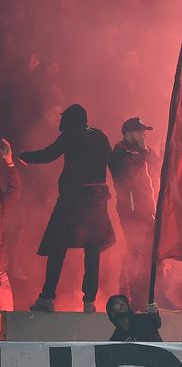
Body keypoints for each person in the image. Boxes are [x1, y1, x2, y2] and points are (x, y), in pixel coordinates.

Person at [20, 104, 115, 312]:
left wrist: (23, 156)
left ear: (70, 120)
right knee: (92, 250)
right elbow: (113, 163)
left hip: (72, 199)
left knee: (57, 245)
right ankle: (89, 302)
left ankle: (47, 297)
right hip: (96, 200)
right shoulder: (100, 136)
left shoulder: (71, 134)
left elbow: (49, 154)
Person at [108, 117, 157, 310]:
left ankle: (146, 295)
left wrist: (148, 152)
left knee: (151, 254)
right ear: (128, 133)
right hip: (131, 213)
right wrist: (144, 151)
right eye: (140, 131)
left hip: (146, 211)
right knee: (134, 253)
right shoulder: (119, 153)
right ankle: (130, 297)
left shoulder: (142, 151)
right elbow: (128, 173)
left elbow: (156, 164)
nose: (143, 135)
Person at [0, 139, 22, 310]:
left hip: (1, 277)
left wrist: (9, 162)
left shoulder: (1, 206)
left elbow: (15, 190)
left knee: (7, 320)